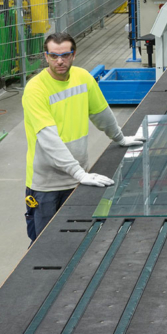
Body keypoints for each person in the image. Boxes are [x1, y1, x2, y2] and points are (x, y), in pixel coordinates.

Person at [23, 32, 144, 242]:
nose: (59, 61)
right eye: (53, 56)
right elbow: (48, 139)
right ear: (46, 56)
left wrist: (119, 138)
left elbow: (101, 113)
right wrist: (79, 174)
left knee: (76, 240)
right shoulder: (35, 89)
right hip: (47, 184)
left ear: (74, 55)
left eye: (65, 55)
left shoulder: (83, 78)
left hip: (78, 176)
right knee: (45, 244)